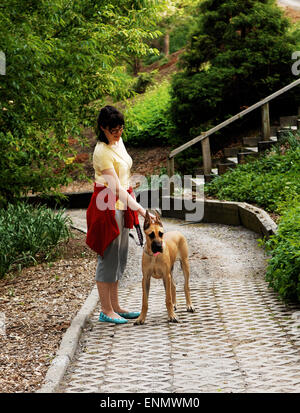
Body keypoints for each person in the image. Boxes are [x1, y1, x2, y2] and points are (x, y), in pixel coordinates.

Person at [86, 105, 155, 324]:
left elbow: (124, 179)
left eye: (121, 128)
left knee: (120, 256)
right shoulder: (101, 152)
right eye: (113, 130)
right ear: (102, 128)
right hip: (106, 205)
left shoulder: (119, 142)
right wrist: (142, 210)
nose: (118, 133)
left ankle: (116, 306)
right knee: (108, 256)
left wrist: (133, 205)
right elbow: (115, 188)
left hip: (122, 205)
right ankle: (105, 310)